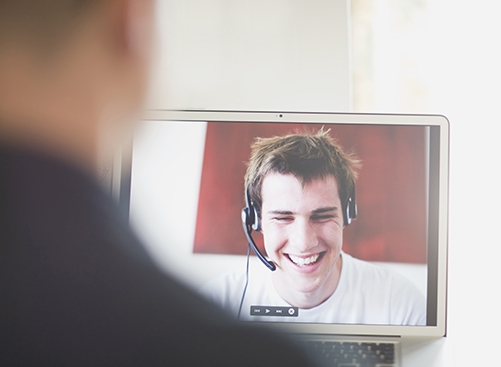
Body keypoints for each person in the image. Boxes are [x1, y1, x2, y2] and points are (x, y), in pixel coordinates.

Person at [0, 1, 319, 366]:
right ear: (127, 25)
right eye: (283, 216)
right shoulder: (236, 353)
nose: (303, 237)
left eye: (320, 214)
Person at [202, 129, 426, 325]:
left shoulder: (402, 305)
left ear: (347, 215)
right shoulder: (216, 304)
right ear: (256, 220)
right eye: (283, 218)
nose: (304, 242)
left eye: (322, 216)